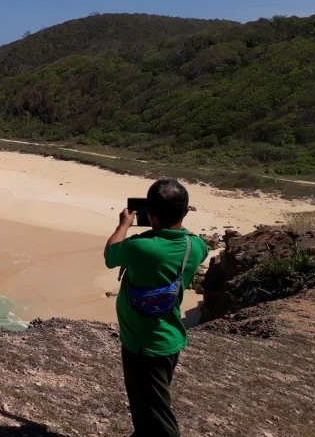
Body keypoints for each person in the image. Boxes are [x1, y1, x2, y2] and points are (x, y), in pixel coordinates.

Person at [104, 179, 208, 437]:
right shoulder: (196, 247)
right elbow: (190, 239)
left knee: (157, 414)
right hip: (169, 339)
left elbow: (110, 255)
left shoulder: (141, 246)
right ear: (185, 212)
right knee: (146, 406)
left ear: (149, 214)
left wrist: (123, 225)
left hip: (143, 344)